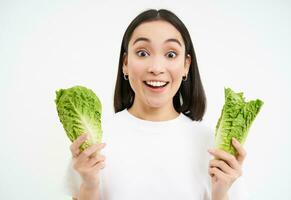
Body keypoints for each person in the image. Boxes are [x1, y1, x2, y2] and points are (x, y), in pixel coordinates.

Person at [64, 9, 248, 200]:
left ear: (186, 66)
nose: (156, 68)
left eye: (170, 54)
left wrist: (220, 192)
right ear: (125, 63)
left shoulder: (212, 146)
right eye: (142, 53)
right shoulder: (94, 144)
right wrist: (89, 186)